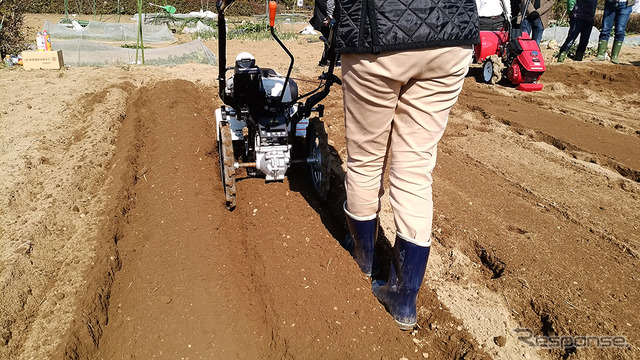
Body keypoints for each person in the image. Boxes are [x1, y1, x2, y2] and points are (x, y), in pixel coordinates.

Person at [335, 0, 479, 330]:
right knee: (415, 168)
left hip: (376, 32)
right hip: (451, 35)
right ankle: (403, 298)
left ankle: (364, 259)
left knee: (365, 161)